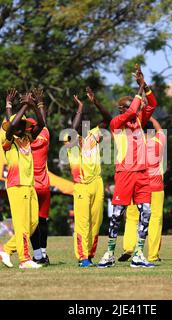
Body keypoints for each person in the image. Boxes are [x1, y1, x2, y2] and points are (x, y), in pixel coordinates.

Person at [97, 64, 158, 268]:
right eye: (131, 106)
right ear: (121, 109)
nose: (137, 108)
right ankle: (109, 254)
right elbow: (135, 108)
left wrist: (145, 85)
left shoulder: (138, 121)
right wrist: (139, 90)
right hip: (124, 173)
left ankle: (139, 254)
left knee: (146, 212)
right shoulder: (116, 122)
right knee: (117, 215)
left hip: (142, 173)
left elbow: (152, 105)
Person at [0, 91, 45, 269]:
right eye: (23, 124)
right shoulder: (8, 140)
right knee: (22, 224)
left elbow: (42, 124)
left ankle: (5, 249)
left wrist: (37, 105)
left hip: (29, 184)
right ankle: (24, 260)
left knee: (33, 223)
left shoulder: (27, 138)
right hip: (17, 185)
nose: (27, 127)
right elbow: (12, 124)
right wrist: (24, 105)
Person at [64, 87, 111, 267]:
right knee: (82, 223)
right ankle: (82, 257)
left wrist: (95, 102)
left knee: (96, 223)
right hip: (81, 185)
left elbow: (109, 120)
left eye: (86, 120)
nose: (84, 123)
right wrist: (80, 107)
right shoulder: (70, 140)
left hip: (97, 183)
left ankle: (90, 255)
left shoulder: (93, 134)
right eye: (81, 119)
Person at [120, 116, 166, 263]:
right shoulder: (159, 141)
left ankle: (128, 247)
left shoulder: (133, 143)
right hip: (156, 186)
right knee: (155, 220)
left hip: (138, 185)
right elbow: (160, 130)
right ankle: (153, 255)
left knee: (132, 218)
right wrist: (152, 117)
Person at [27, 88, 52, 266]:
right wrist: (39, 103)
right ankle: (43, 253)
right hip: (45, 185)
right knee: (43, 219)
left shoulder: (24, 140)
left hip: (31, 186)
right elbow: (43, 122)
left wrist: (11, 106)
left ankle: (37, 255)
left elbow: (10, 126)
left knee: (33, 222)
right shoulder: (45, 135)